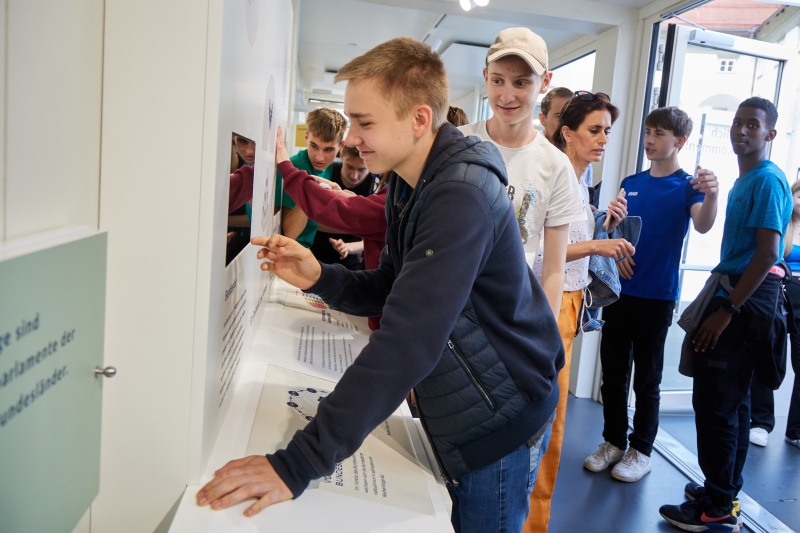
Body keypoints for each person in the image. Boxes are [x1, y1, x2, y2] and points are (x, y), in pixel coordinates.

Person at [196, 37, 564, 533]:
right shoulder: (411, 181)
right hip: (464, 398)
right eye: (352, 122)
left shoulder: (459, 195)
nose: (352, 139)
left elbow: (407, 339)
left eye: (365, 123)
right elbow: (393, 286)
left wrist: (298, 463)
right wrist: (320, 276)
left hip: (499, 419)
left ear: (417, 120)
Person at [659, 97, 791, 532]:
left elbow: (770, 252)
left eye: (752, 125)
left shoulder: (767, 181)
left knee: (716, 406)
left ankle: (715, 508)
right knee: (730, 406)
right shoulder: (748, 179)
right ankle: (722, 491)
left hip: (744, 301)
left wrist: (727, 311)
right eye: (737, 123)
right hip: (738, 295)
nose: (741, 131)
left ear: (769, 134)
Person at [584, 106, 719, 484]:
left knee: (647, 379)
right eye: (647, 131)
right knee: (613, 373)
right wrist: (616, 246)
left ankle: (641, 450)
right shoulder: (631, 181)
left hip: (658, 297)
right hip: (621, 293)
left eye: (659, 133)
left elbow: (704, 225)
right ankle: (612, 441)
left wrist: (712, 195)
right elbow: (617, 232)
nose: (649, 139)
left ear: (680, 141)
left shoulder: (688, 186)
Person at [524, 90, 633, 533]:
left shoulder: (579, 181)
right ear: (566, 133)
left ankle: (533, 519)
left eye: (607, 130)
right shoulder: (555, 179)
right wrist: (596, 243)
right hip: (548, 307)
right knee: (546, 423)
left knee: (551, 423)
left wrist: (602, 224)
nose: (603, 139)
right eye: (594, 130)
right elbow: (535, 255)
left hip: (567, 307)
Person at [458, 27, 585, 320]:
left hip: (508, 315)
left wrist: (546, 345)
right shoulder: (456, 143)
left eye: (521, 82)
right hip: (449, 309)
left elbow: (554, 269)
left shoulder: (556, 166)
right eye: (498, 80)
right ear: (485, 76)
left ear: (545, 82)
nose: (507, 95)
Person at [749, 178, 800, 449]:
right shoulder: (782, 223)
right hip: (778, 294)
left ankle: (797, 430)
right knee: (768, 356)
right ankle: (760, 422)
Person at [277, 108, 347, 247]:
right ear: (306, 137)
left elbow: (315, 220)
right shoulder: (296, 167)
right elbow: (290, 233)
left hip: (307, 248)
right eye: (314, 146)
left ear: (341, 146)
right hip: (287, 250)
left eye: (328, 149)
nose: (319, 157)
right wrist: (310, 193)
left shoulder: (328, 169)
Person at [310, 144, 378, 270]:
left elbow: (378, 233)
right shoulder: (326, 174)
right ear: (341, 155)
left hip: (350, 259)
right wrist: (358, 225)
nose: (354, 175)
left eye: (362, 169)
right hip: (314, 253)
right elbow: (309, 219)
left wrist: (350, 247)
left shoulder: (375, 185)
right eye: (349, 167)